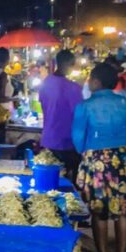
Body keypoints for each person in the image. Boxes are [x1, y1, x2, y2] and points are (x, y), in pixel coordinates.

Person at [72, 64, 126, 252]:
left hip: (98, 160)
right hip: (125, 158)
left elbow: (78, 141)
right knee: (124, 211)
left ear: (95, 82)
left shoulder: (85, 106)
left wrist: (93, 153)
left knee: (99, 211)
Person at [39, 50, 85, 178]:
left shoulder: (46, 82)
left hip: (48, 138)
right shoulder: (73, 88)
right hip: (66, 141)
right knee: (68, 180)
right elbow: (79, 114)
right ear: (68, 64)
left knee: (51, 179)